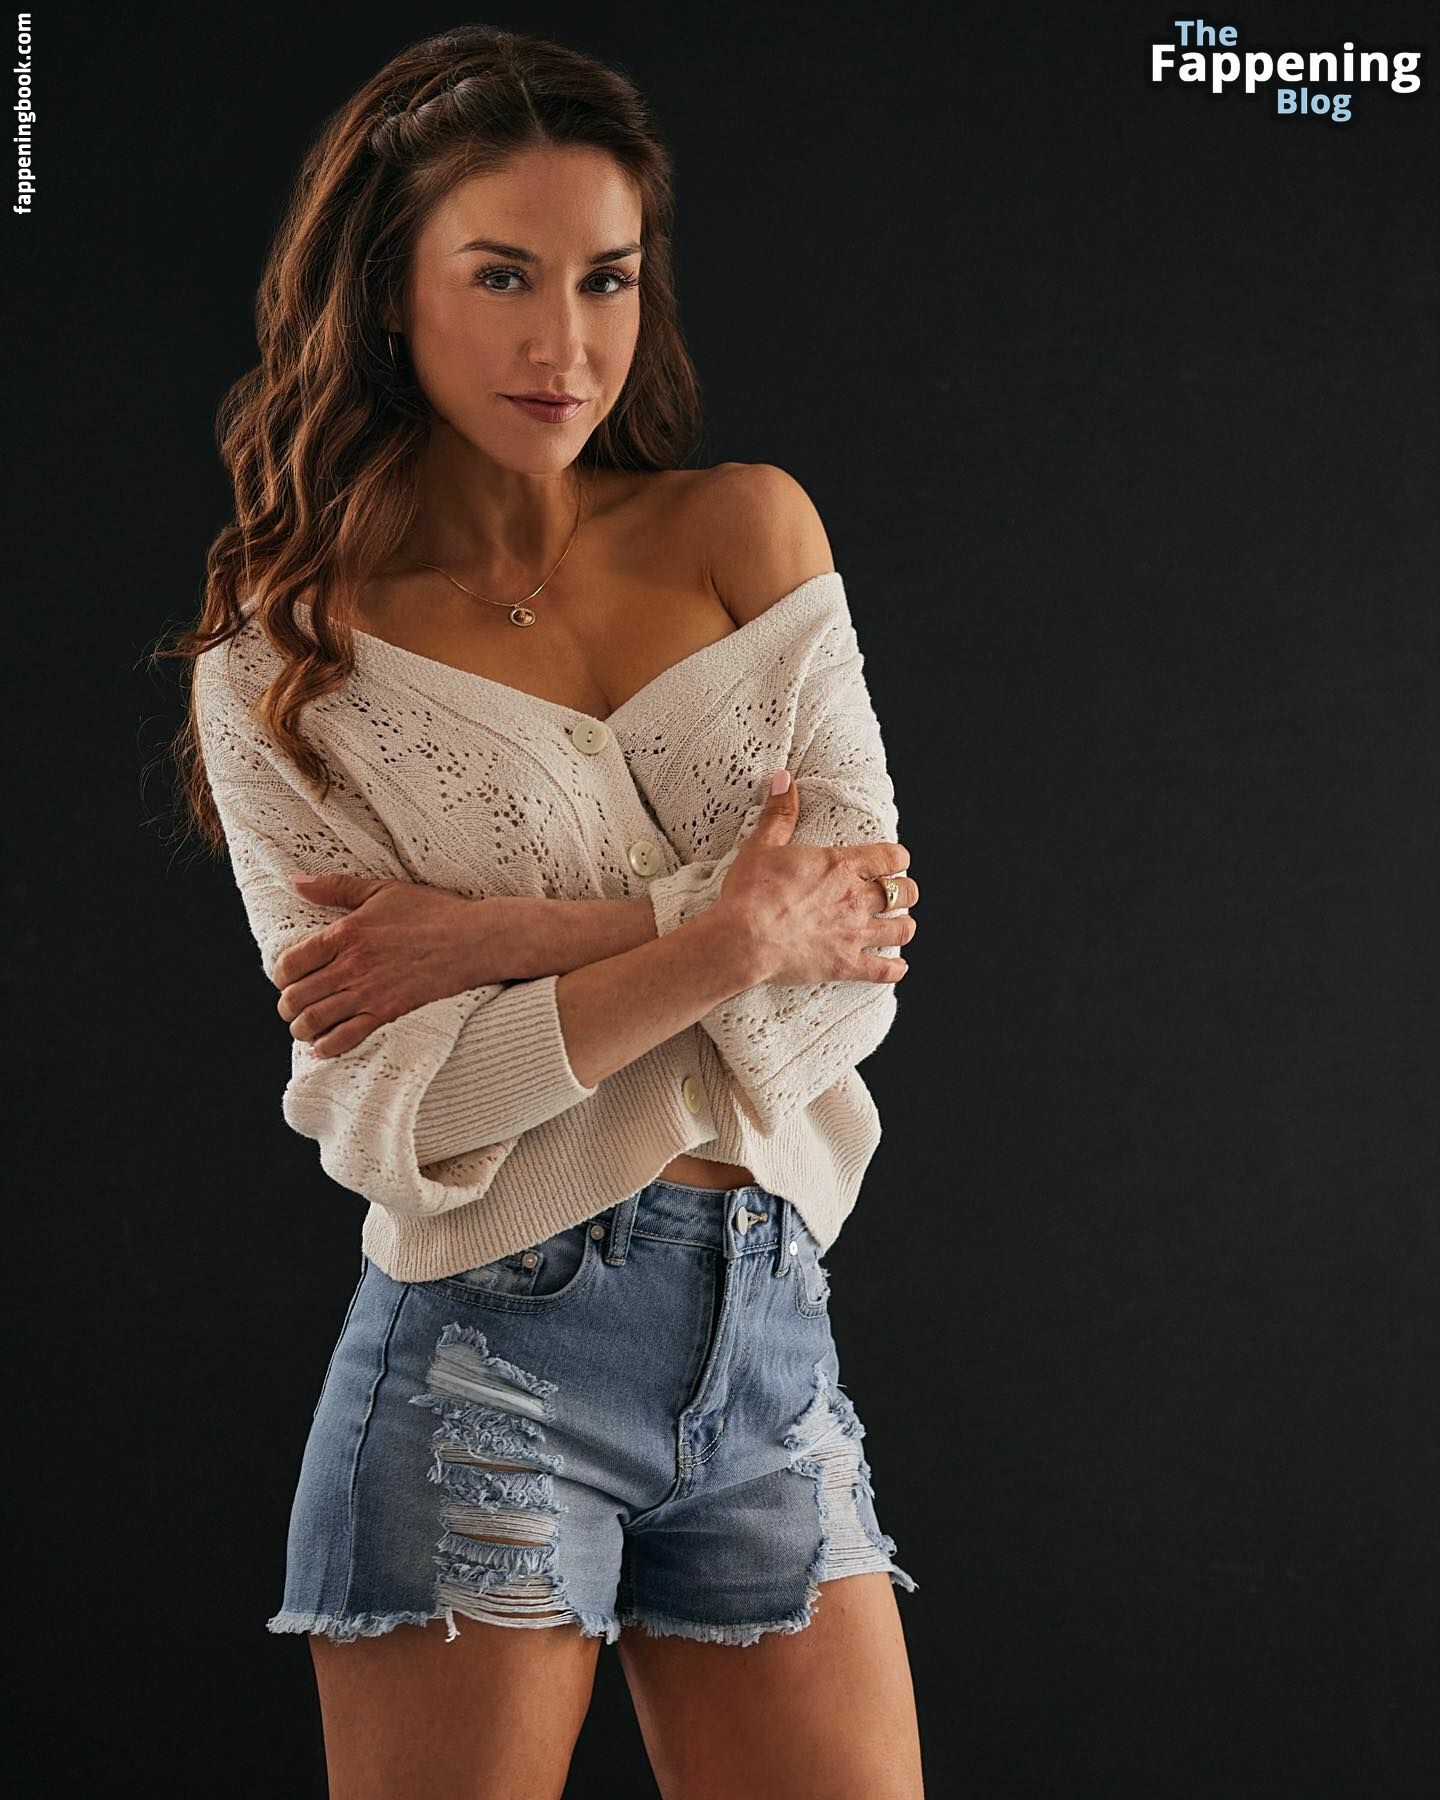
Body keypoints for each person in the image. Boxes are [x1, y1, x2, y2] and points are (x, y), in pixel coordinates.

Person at [164, 25, 924, 1800]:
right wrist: (724, 935)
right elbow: (397, 1102)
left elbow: (857, 952)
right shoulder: (287, 666)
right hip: (485, 1357)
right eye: (500, 275)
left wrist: (505, 937)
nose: (565, 343)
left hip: (770, 1339)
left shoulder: (744, 532)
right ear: (389, 293)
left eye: (606, 278)